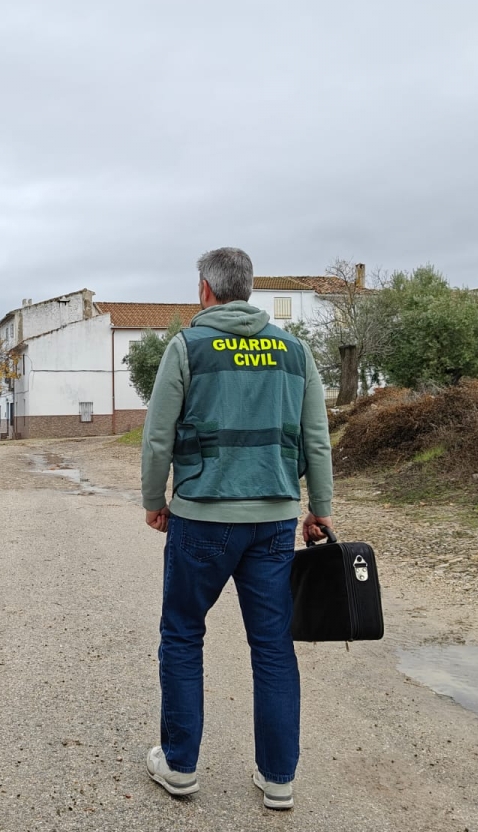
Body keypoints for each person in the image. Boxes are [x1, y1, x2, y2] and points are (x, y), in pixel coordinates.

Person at [139, 247, 334, 811]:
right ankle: (278, 779)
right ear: (248, 288)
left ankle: (180, 766)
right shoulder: (295, 350)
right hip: (273, 521)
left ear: (205, 289)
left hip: (201, 517)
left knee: (182, 635)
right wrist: (320, 507)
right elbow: (316, 437)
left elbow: (158, 435)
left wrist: (155, 500)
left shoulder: (187, 346)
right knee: (272, 646)